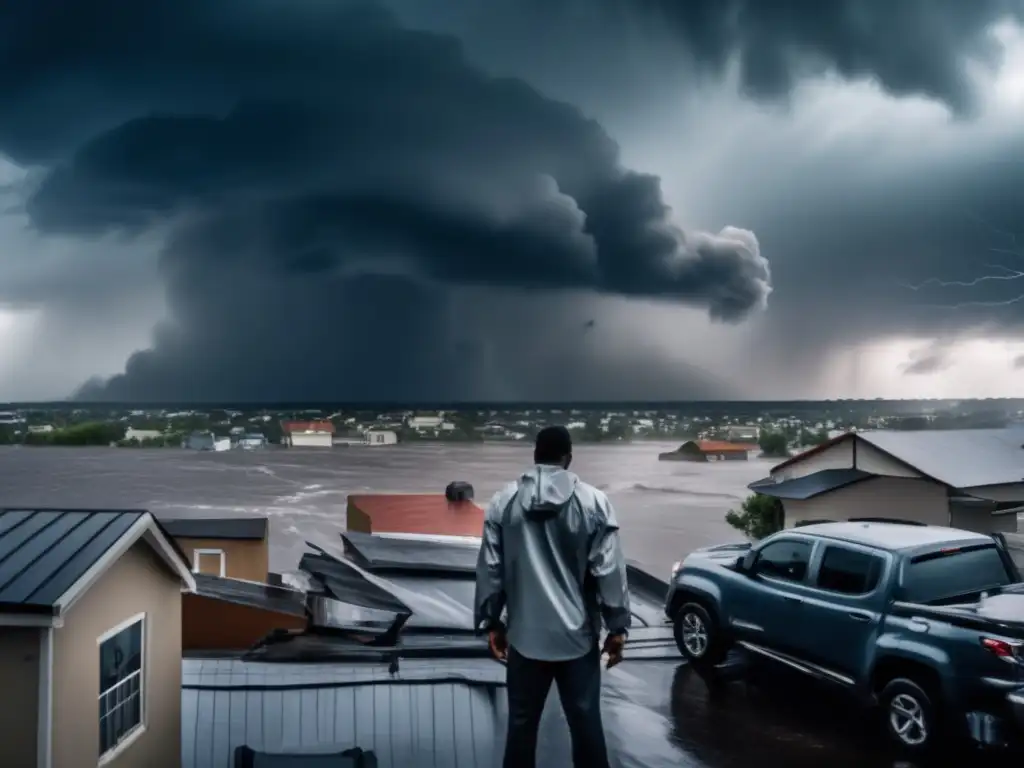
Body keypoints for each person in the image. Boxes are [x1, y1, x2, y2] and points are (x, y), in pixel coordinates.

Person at [474, 425, 630, 768]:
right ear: (569, 458)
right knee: (586, 724)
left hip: (525, 639)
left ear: (534, 456)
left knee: (521, 726)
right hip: (578, 639)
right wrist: (617, 628)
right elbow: (609, 571)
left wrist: (491, 622)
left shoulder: (504, 502)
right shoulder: (594, 502)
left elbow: (491, 570)